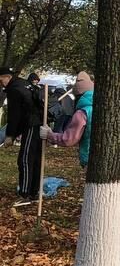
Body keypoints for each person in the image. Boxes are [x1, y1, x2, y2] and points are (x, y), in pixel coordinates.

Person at [0, 68, 43, 200]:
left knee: (25, 159)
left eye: (0, 80)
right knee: (35, 159)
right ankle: (33, 192)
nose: (0, 83)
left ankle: (25, 193)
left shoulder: (14, 89)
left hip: (31, 124)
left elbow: (15, 115)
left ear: (7, 77)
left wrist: (10, 135)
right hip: (38, 123)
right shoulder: (22, 83)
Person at [40, 72, 94, 167]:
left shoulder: (82, 113)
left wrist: (49, 135)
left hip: (91, 159)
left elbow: (69, 139)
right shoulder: (103, 107)